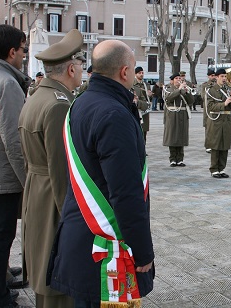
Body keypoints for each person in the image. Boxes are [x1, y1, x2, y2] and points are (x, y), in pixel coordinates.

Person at [48, 40, 155, 307]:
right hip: (103, 247)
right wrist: (142, 251)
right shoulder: (113, 114)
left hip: (80, 236)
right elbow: (125, 192)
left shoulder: (82, 102)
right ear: (124, 72)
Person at [19, 29, 85, 308]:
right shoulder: (59, 106)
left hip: (37, 191)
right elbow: (61, 171)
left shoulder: (37, 97)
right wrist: (73, 223)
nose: (82, 70)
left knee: (44, 273)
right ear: (71, 68)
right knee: (59, 285)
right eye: (81, 64)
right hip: (52, 201)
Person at [0, 24, 31, 308]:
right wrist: (28, 181)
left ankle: (0, 276)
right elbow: (14, 142)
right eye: (23, 50)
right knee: (0, 236)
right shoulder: (5, 83)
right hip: (1, 175)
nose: (25, 56)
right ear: (11, 51)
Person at [205, 69, 231, 178]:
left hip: (227, 119)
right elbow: (210, 106)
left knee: (225, 144)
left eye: (225, 77)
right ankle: (214, 169)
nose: (224, 79)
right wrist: (224, 103)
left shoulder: (228, 89)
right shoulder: (211, 90)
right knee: (216, 144)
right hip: (216, 120)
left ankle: (221, 168)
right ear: (217, 77)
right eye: (221, 76)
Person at [163, 73, 194, 167]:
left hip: (182, 114)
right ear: (172, 80)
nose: (178, 80)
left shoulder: (185, 88)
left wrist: (187, 92)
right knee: (172, 136)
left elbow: (191, 101)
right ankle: (172, 159)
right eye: (176, 78)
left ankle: (180, 159)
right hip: (172, 114)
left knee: (181, 136)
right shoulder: (167, 88)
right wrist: (179, 90)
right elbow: (168, 98)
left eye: (180, 78)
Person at [133, 66, 151, 144]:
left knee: (144, 130)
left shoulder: (146, 84)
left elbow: (148, 98)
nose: (141, 74)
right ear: (135, 74)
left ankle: (143, 148)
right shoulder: (132, 84)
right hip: (136, 109)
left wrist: (150, 95)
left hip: (145, 109)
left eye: (142, 73)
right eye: (139, 73)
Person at [201, 69, 216, 153]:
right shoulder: (205, 85)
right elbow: (203, 96)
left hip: (217, 108)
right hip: (208, 108)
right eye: (211, 75)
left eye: (214, 75)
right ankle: (208, 146)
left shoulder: (218, 84)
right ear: (208, 76)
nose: (213, 77)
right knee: (208, 128)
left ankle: (214, 145)